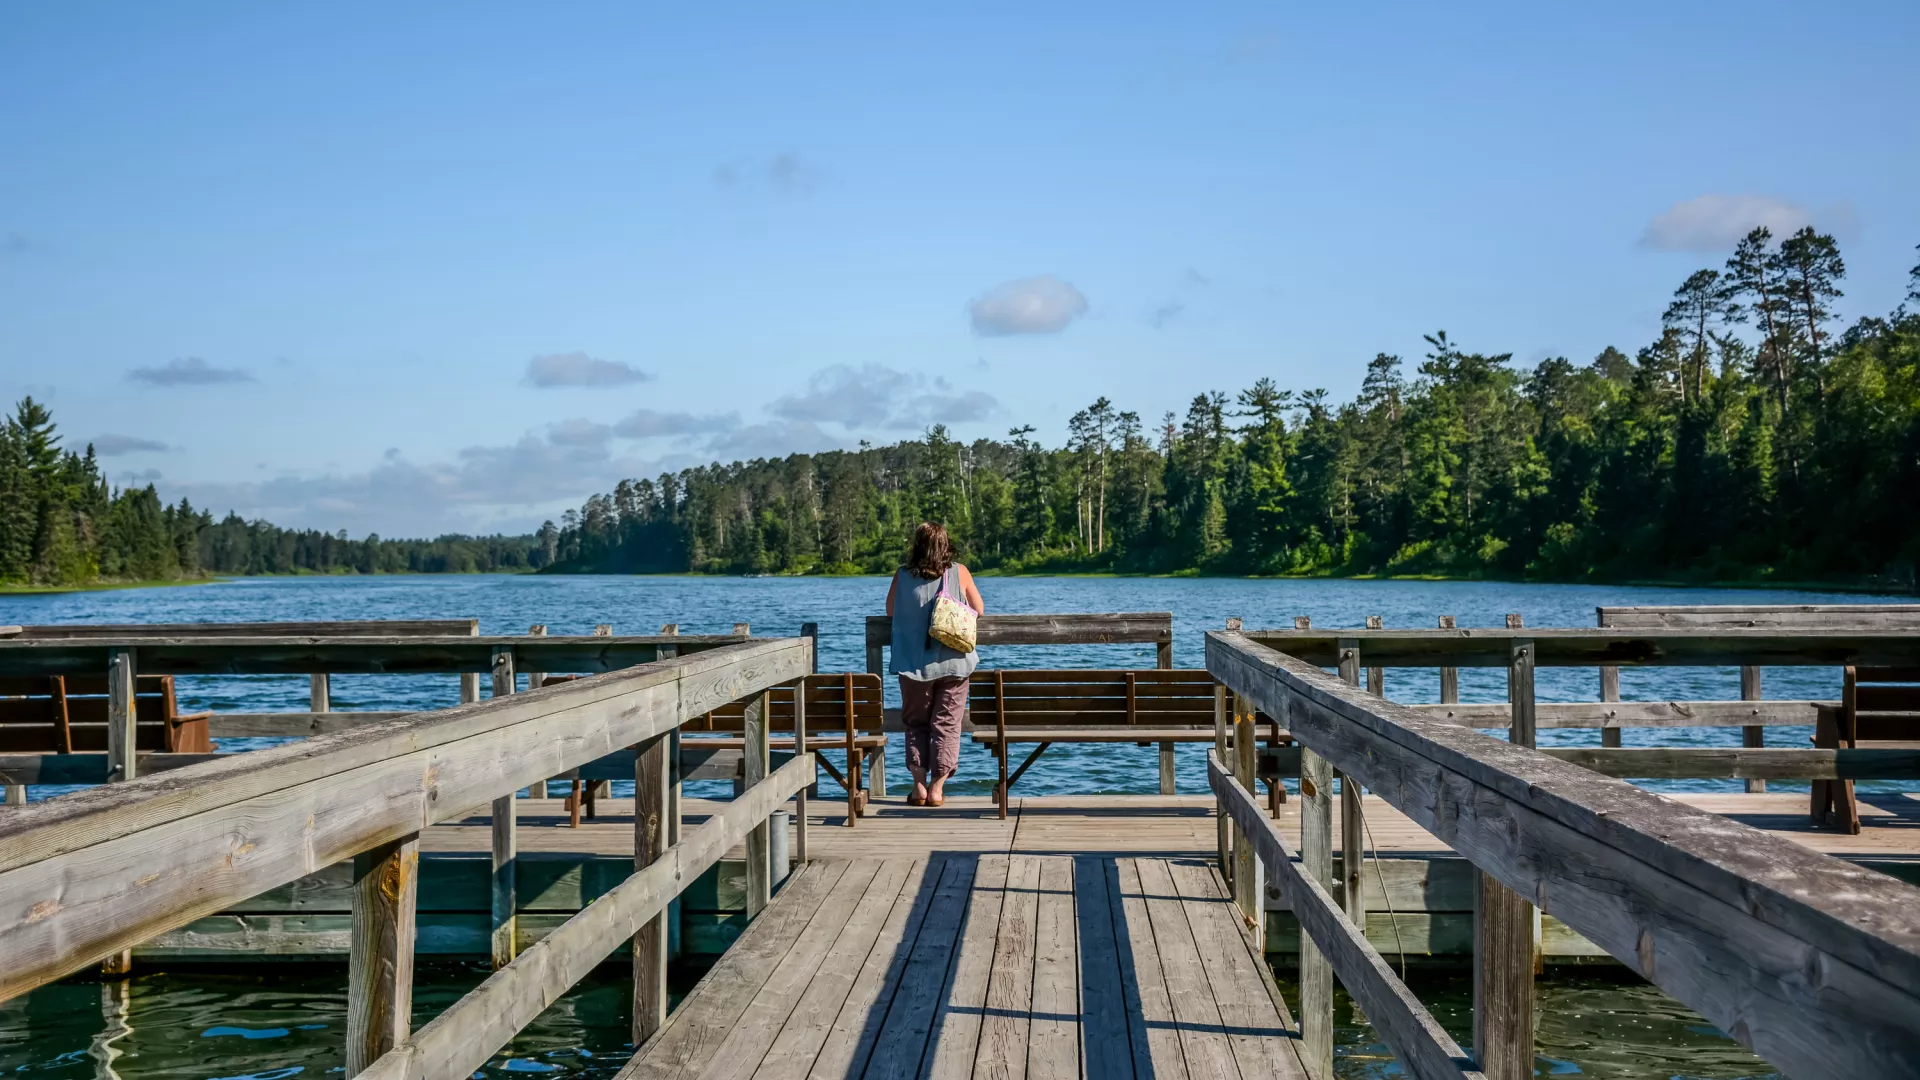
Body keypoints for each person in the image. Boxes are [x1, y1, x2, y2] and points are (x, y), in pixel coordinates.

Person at [884, 521, 985, 807]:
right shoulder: (960, 572)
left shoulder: (902, 575)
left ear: (917, 546)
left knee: (915, 724)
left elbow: (891, 611)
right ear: (945, 545)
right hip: (955, 664)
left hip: (913, 666)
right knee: (948, 725)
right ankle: (937, 788)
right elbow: (979, 609)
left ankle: (918, 787)